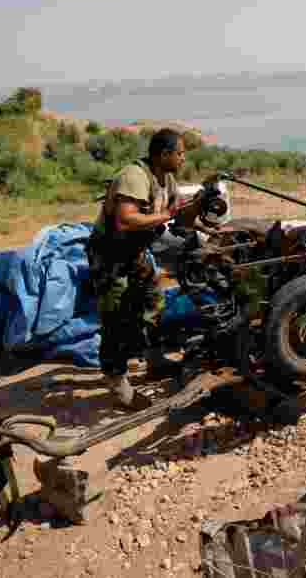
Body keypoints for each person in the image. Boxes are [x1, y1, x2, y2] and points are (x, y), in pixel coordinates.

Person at [87, 128, 202, 409]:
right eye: (180, 153)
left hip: (135, 252)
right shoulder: (135, 176)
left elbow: (176, 218)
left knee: (152, 300)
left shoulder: (167, 180)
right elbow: (126, 220)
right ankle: (117, 384)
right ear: (164, 154)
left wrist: (203, 219)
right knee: (117, 317)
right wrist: (169, 214)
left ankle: (152, 357)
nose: (183, 158)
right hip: (110, 255)